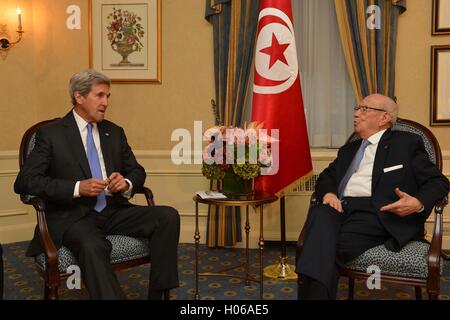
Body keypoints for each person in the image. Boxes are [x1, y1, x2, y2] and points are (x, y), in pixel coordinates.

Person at [14, 69, 180, 300]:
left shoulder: (114, 132)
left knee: (168, 216)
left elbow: (136, 171)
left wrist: (127, 182)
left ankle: (159, 297)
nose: (106, 103)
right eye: (100, 95)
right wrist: (76, 188)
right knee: (93, 245)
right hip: (73, 216)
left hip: (113, 210)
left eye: (108, 97)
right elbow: (25, 181)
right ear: (79, 97)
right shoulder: (50, 135)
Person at [296, 94, 450, 300]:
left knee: (319, 245)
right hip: (339, 207)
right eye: (357, 108)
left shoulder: (406, 143)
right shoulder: (349, 149)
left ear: (384, 118)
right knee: (320, 215)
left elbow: (438, 182)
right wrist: (330, 193)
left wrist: (417, 202)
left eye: (364, 109)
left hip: (377, 214)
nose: (356, 113)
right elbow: (326, 177)